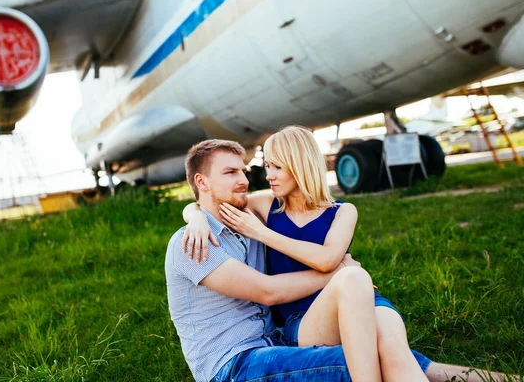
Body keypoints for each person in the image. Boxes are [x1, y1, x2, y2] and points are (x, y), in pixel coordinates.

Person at [180, 131, 515, 382]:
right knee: (354, 280)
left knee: (395, 352)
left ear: (300, 166)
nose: (266, 175)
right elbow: (206, 202)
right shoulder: (264, 206)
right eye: (267, 166)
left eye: (276, 166)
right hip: (307, 319)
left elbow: (327, 259)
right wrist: (194, 216)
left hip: (361, 299)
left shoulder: (343, 211)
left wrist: (262, 234)